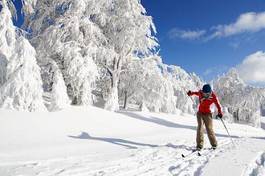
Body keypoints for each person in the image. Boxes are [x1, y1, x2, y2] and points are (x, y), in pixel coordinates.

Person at [187, 84, 223, 150]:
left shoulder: (213, 96)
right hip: (200, 113)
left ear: (210, 92)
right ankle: (199, 145)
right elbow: (195, 93)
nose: (205, 95)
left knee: (209, 129)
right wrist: (190, 93)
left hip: (208, 114)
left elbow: (218, 105)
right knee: (200, 128)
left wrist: (220, 112)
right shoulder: (201, 93)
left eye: (207, 94)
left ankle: (214, 144)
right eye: (204, 93)